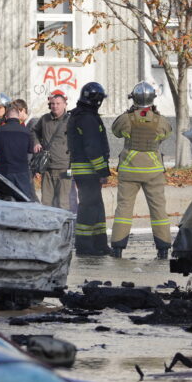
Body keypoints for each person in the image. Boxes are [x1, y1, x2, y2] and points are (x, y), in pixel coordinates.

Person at [109, 82, 173, 259]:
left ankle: (118, 248)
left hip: (129, 170)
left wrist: (129, 113)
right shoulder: (160, 120)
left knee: (124, 209)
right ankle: (163, 248)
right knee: (158, 209)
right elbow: (167, 133)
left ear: (134, 98)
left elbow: (115, 131)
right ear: (153, 99)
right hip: (153, 171)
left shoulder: (126, 119)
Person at [67, 82, 112, 256]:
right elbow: (92, 147)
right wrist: (102, 171)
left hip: (86, 169)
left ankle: (99, 243)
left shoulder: (85, 115)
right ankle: (85, 246)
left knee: (96, 206)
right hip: (88, 170)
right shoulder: (86, 118)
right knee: (88, 207)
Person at [33, 89, 72, 210]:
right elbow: (33, 131)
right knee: (46, 202)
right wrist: (36, 142)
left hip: (65, 168)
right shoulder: (44, 119)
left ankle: (63, 228)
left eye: (58, 103)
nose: (54, 106)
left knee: (63, 202)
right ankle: (48, 228)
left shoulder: (72, 121)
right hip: (47, 168)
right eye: (52, 104)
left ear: (65, 104)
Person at [0, 106, 35, 200]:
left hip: (4, 171)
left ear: (6, 117)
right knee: (24, 199)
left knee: (6, 199)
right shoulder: (27, 131)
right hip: (22, 170)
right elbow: (30, 150)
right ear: (18, 117)